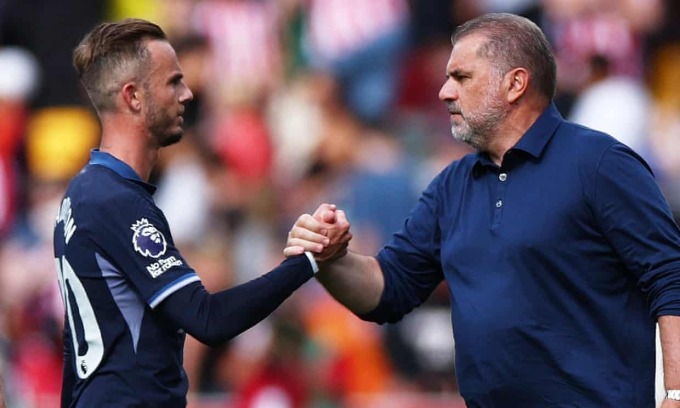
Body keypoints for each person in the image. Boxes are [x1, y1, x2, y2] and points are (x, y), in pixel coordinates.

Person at [285, 12, 680, 407]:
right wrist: (333, 260)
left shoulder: (599, 163)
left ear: (515, 84)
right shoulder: (451, 186)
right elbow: (389, 289)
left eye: (461, 77)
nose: (444, 92)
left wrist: (676, 393)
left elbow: (670, 278)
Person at [53, 18, 347, 407]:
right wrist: (308, 260)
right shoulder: (114, 201)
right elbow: (207, 319)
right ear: (133, 97)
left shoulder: (83, 193)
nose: (188, 94)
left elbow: (77, 357)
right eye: (173, 81)